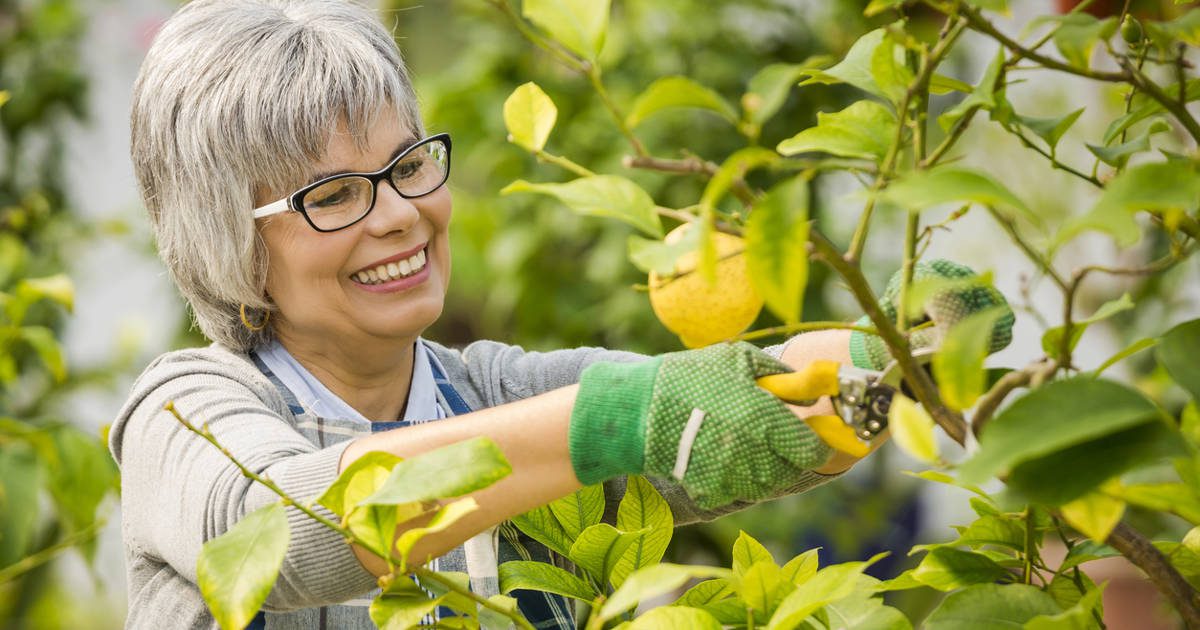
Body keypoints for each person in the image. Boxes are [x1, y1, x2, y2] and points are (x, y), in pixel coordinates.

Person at [110, 1, 1012, 628]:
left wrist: (895, 344)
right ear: (227, 235)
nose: (397, 214)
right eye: (337, 193)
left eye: (409, 166)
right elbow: (280, 538)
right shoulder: (188, 416)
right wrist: (612, 424)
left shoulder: (494, 392)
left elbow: (724, 404)